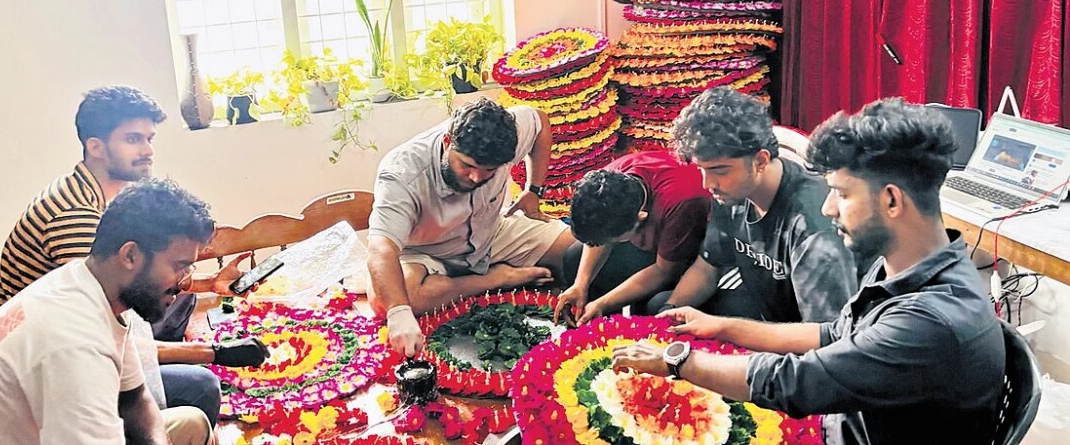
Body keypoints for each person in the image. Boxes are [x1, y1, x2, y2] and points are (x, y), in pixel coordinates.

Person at [612, 98, 1006, 445]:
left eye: (843, 193)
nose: (828, 207)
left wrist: (678, 361)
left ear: (891, 200)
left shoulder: (929, 321)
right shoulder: (904, 267)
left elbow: (796, 383)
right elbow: (831, 333)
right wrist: (720, 328)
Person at [0, 179, 269, 444]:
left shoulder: (88, 287)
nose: (184, 281)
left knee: (191, 422)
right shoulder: (74, 346)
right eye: (179, 266)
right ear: (130, 255)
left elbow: (134, 400)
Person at [0, 85, 261, 425]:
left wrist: (208, 283)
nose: (148, 150)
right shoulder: (76, 217)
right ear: (96, 147)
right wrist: (215, 353)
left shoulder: (94, 189)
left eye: (150, 139)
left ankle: (171, 368)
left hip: (77, 328)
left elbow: (137, 275)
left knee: (180, 300)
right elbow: (107, 333)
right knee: (202, 386)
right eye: (133, 139)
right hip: (51, 367)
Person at [366, 98, 576, 356]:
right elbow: (380, 247)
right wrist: (399, 312)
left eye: (489, 170)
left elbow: (540, 121)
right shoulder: (402, 172)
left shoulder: (508, 130)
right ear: (447, 143)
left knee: (577, 251)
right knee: (387, 299)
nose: (477, 177)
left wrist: (533, 191)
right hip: (428, 252)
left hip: (491, 231)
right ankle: (497, 278)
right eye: (467, 166)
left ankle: (470, 280)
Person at [656, 87, 861, 323]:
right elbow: (708, 266)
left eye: (719, 170)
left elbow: (825, 338)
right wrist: (665, 319)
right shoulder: (731, 191)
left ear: (761, 161)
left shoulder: (814, 227)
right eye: (701, 169)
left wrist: (719, 343)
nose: (707, 183)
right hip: (769, 317)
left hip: (809, 337)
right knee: (662, 305)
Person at [554, 150, 711, 326]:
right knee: (574, 259)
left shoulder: (681, 202)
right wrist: (581, 284)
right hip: (653, 235)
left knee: (652, 306)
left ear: (641, 218)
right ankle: (596, 328)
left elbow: (664, 271)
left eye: (614, 239)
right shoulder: (609, 180)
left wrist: (603, 303)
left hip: (688, 252)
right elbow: (600, 227)